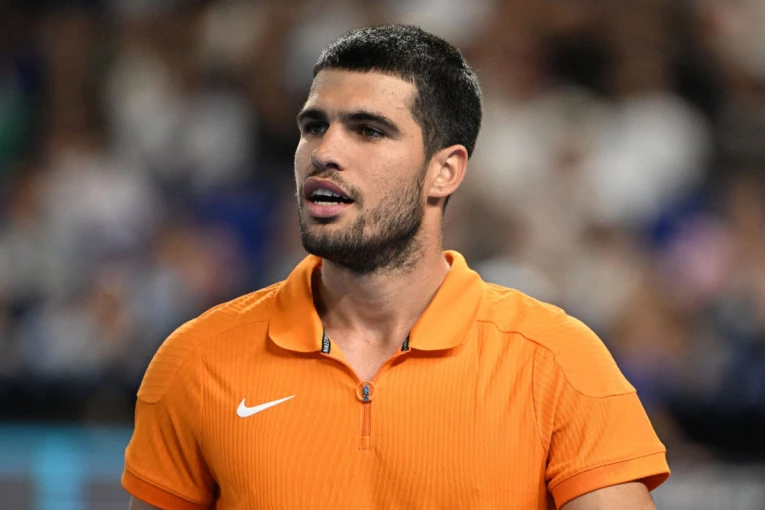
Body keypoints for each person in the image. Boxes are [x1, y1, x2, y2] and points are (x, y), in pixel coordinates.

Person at [122, 24, 669, 509]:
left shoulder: (556, 362)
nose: (324, 152)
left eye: (368, 130)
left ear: (444, 171)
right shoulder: (196, 361)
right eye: (314, 126)